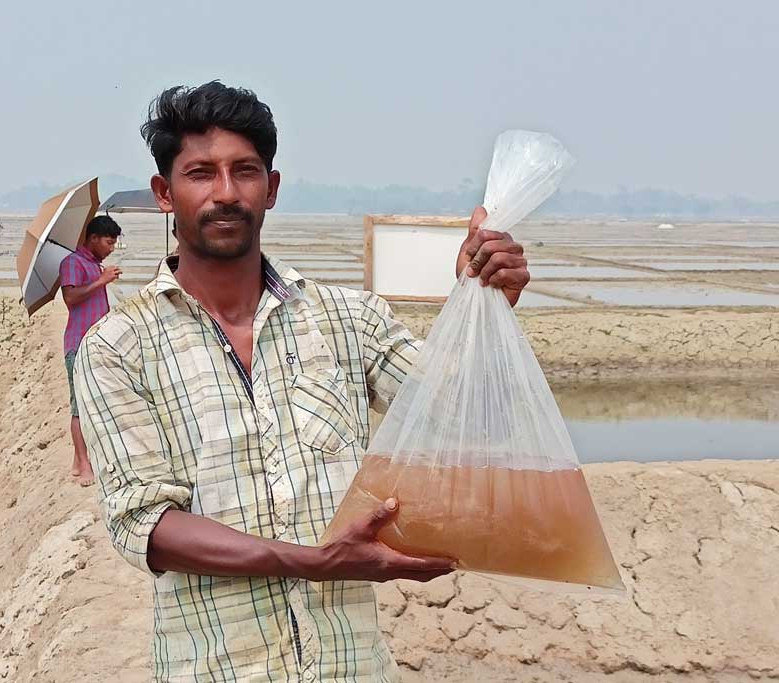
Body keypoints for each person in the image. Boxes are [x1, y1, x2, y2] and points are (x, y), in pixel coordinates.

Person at [75, 82, 531, 681]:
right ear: (166, 193)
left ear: (272, 189)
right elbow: (146, 525)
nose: (226, 193)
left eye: (245, 172)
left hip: (352, 667)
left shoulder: (349, 320)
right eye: (200, 173)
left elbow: (454, 414)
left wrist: (485, 305)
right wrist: (315, 562)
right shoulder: (118, 347)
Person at [60, 216, 122, 486]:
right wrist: (102, 281)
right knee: (79, 407)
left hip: (96, 343)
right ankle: (85, 466)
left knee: (92, 403)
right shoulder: (73, 262)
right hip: (79, 343)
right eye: (109, 242)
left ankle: (79, 460)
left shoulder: (94, 265)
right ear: (94, 238)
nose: (112, 248)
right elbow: (71, 298)